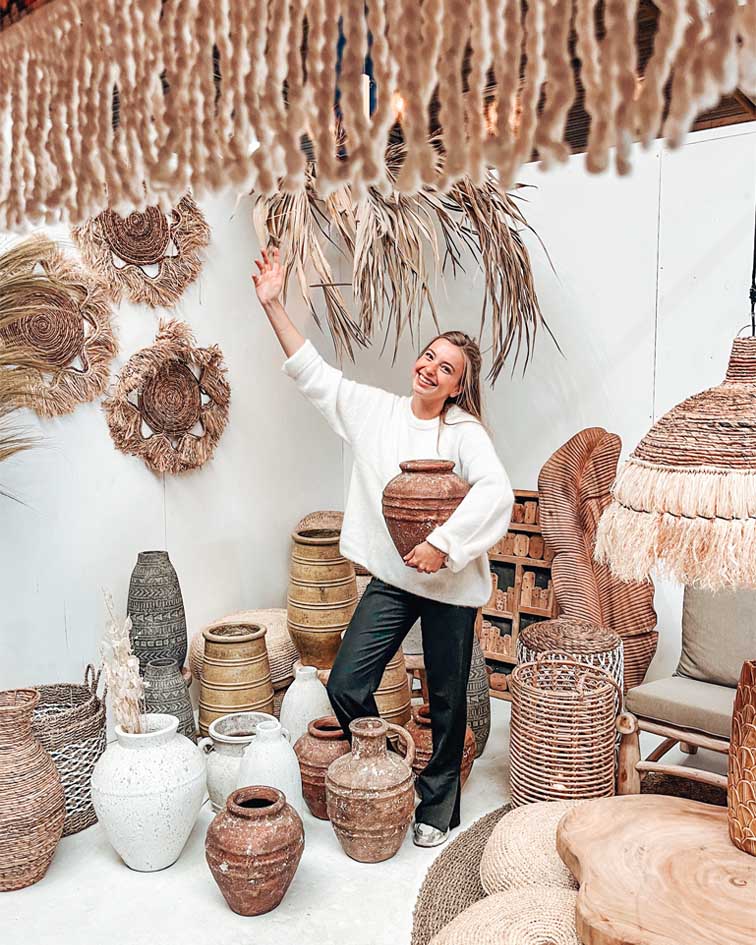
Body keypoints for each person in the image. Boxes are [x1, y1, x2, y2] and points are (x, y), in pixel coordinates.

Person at [253, 246, 514, 847]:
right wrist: (273, 304)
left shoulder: (464, 432)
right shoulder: (376, 412)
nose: (430, 368)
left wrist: (443, 545)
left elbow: (496, 492)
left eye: (446, 368)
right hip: (394, 583)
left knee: (446, 703)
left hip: (450, 589)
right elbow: (314, 373)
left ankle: (437, 808)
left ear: (458, 387)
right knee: (346, 683)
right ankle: (390, 766)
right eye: (429, 356)